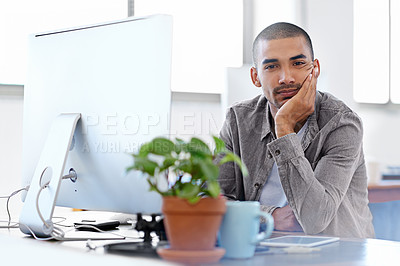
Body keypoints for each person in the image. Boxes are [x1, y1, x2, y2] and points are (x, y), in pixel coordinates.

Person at [217, 22, 375, 238]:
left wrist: (284, 128)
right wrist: (268, 216)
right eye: (272, 66)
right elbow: (212, 199)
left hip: (335, 254)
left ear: (315, 68)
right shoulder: (238, 120)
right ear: (255, 77)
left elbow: (315, 218)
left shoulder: (342, 123)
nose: (287, 78)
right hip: (262, 248)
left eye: (298, 63)